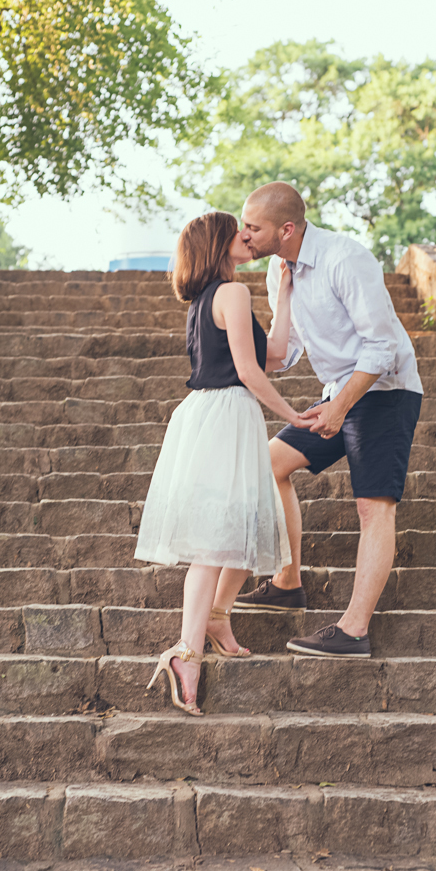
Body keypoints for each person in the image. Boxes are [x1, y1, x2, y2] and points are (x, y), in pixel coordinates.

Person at [233, 182, 423, 658]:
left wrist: (341, 407)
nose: (245, 235)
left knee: (372, 505)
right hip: (337, 392)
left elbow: (382, 347)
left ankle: (354, 630)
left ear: (287, 228)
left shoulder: (345, 258)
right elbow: (288, 349)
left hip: (384, 391)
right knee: (268, 465)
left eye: (253, 227)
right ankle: (287, 583)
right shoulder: (281, 269)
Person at [135, 210, 312, 715]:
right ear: (219, 242)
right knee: (217, 540)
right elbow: (251, 374)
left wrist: (283, 288)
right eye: (238, 231)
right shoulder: (230, 293)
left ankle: (213, 620)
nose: (247, 238)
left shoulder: (210, 299)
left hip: (215, 415)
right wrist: (293, 416)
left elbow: (273, 354)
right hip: (225, 412)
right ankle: (186, 652)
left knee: (241, 526)